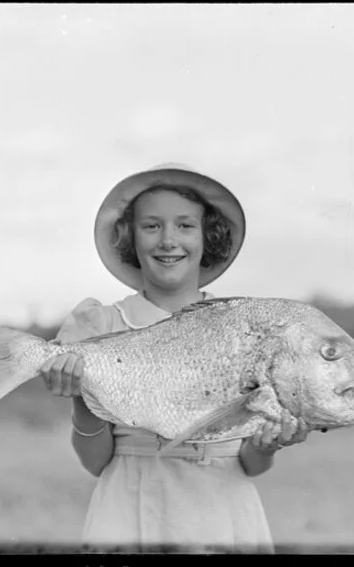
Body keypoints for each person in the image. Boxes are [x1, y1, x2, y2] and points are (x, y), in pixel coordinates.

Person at [38, 163, 309, 553]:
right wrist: (83, 401)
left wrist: (266, 446)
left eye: (185, 226)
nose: (168, 240)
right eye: (151, 226)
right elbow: (95, 462)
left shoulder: (241, 326)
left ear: (208, 237)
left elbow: (250, 464)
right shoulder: (102, 326)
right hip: (129, 507)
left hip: (222, 512)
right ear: (130, 239)